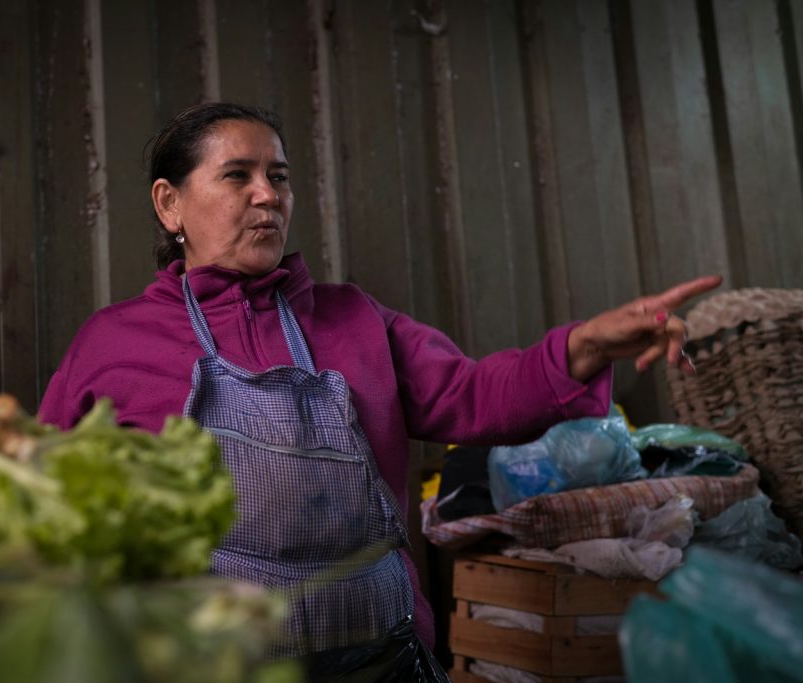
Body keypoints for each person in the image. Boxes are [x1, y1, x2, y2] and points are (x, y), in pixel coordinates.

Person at [38, 102, 721, 677]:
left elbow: (479, 394)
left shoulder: (353, 318)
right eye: (237, 176)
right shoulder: (113, 344)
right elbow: (48, 517)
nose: (268, 195)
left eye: (278, 176)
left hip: (384, 662)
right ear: (170, 204)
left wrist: (586, 346)